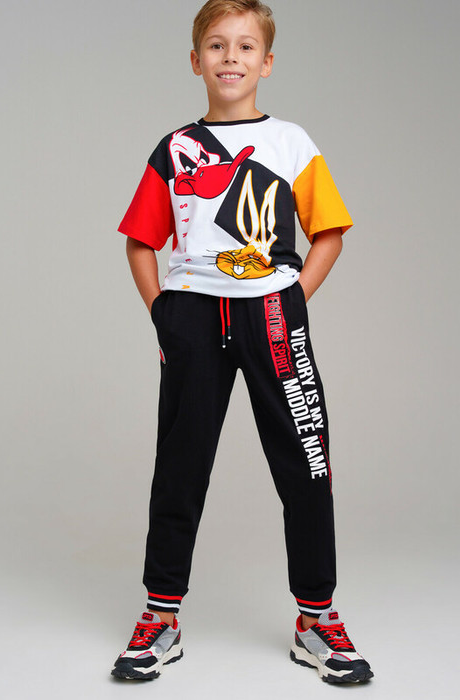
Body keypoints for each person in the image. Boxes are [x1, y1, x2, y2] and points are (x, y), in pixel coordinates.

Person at [111, 0, 373, 685]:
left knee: (305, 466)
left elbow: (329, 232)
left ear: (267, 62)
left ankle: (316, 618)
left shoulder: (291, 142)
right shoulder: (175, 148)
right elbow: (141, 241)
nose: (231, 57)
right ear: (195, 60)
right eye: (217, 45)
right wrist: (164, 313)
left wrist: (290, 300)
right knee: (180, 465)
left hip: (272, 316)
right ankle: (160, 615)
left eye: (246, 46)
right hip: (192, 316)